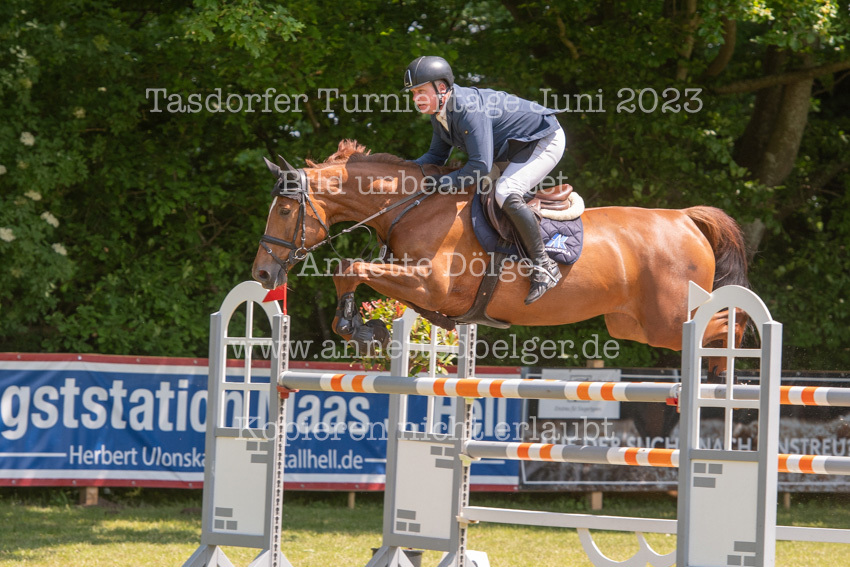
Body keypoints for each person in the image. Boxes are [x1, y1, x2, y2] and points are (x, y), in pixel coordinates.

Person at [404, 55, 566, 305]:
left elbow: (479, 166)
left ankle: (544, 265)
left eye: (421, 91)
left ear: (442, 87)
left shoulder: (467, 109)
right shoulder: (440, 114)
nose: (416, 99)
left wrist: (442, 183)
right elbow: (435, 156)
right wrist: (402, 172)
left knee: (505, 191)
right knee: (480, 194)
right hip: (511, 149)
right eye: (413, 94)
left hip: (543, 140)